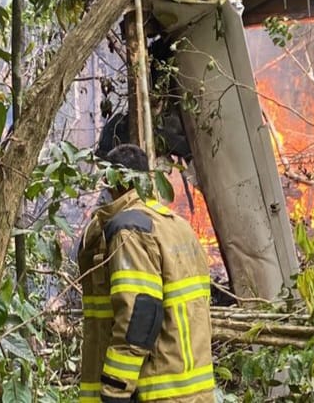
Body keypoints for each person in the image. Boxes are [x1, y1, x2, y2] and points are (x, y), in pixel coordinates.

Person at [77, 144, 215, 403]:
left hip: (154, 392)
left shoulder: (131, 229)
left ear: (114, 181)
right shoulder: (177, 226)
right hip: (192, 392)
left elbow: (138, 314)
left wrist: (115, 389)